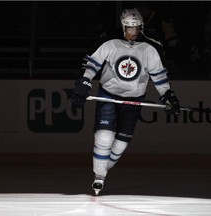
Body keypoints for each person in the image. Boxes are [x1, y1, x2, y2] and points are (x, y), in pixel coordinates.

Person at [70, 8, 180, 196]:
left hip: (134, 99)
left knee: (120, 145)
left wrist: (167, 95)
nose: (134, 32)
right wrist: (85, 81)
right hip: (108, 95)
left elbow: (159, 75)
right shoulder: (110, 42)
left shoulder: (150, 47)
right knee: (104, 137)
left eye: (137, 27)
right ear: (123, 26)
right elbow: (93, 63)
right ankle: (99, 177)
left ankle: (103, 169)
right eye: (130, 28)